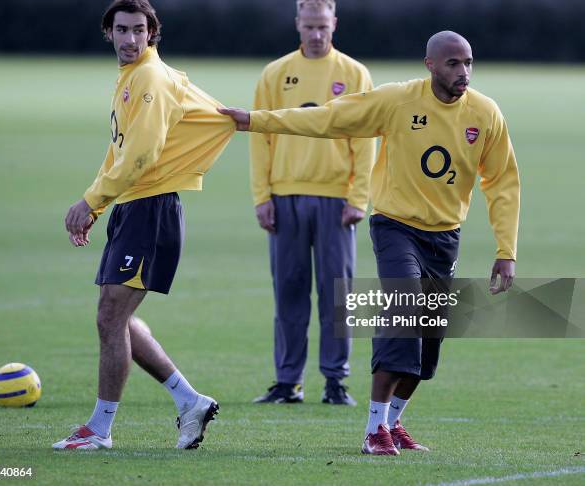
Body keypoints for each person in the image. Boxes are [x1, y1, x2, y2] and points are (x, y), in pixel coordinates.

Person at [219, 30, 520, 455]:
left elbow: (503, 183)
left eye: (468, 62)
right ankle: (373, 430)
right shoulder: (397, 101)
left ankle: (394, 423)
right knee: (403, 312)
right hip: (395, 226)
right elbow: (327, 118)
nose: (463, 72)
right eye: (453, 63)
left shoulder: (486, 114)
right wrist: (255, 120)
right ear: (430, 65)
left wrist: (506, 251)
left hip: (445, 236)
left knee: (428, 347)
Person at [54, 0, 236, 450]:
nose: (130, 38)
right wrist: (95, 206)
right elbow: (118, 150)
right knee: (115, 318)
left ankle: (99, 429)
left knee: (110, 316)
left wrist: (91, 199)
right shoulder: (130, 78)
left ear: (152, 33)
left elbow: (141, 154)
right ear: (108, 33)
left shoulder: (150, 77)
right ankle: (189, 400)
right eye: (122, 30)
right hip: (131, 207)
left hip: (150, 208)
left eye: (139, 30)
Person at [250, 0, 376, 406]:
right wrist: (262, 196)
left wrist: (359, 197)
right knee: (289, 291)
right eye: (309, 26)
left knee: (337, 293)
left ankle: (335, 381)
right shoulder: (275, 74)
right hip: (285, 198)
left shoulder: (354, 74)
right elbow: (261, 139)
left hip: (336, 201)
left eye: (323, 26)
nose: (317, 34)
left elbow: (366, 140)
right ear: (297, 25)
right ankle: (288, 382)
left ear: (334, 24)